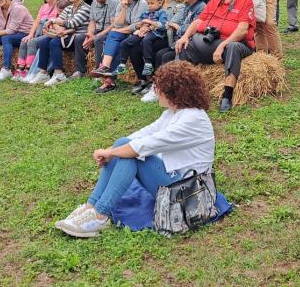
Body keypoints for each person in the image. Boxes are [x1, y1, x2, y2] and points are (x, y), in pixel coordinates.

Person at [54, 60, 215, 238]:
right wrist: (112, 150)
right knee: (125, 146)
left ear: (172, 91)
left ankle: (100, 215)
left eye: (158, 87)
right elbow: (144, 134)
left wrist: (112, 153)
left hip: (189, 191)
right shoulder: (174, 113)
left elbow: (146, 145)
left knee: (131, 155)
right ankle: (91, 207)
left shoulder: (192, 119)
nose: (156, 91)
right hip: (176, 178)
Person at [177, 0, 256, 113]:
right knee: (185, 45)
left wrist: (223, 45)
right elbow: (198, 21)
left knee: (233, 46)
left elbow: (243, 30)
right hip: (212, 42)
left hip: (237, 44)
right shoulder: (215, 0)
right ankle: (183, 92)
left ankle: (227, 96)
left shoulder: (245, 1)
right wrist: (185, 36)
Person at [143, 0, 208, 103]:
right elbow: (174, 24)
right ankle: (157, 86)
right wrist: (178, 27)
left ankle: (163, 89)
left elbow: (189, 28)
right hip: (178, 41)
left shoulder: (200, 7)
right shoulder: (185, 6)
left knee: (165, 56)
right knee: (160, 54)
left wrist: (178, 27)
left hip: (189, 43)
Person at [127, 0, 184, 93]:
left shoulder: (178, 6)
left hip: (165, 36)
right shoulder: (153, 2)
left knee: (153, 49)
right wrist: (142, 26)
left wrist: (152, 24)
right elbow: (140, 20)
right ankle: (142, 79)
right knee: (134, 48)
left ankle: (155, 82)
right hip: (150, 34)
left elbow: (171, 24)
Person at [89, 0, 147, 93]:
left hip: (138, 35)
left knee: (115, 34)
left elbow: (136, 26)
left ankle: (108, 79)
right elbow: (118, 23)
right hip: (125, 34)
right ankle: (105, 69)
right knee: (117, 40)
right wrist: (124, 9)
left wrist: (119, 30)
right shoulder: (121, 4)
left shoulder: (142, 4)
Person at [31, 0, 92, 86]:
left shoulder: (86, 8)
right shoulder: (69, 7)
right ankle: (43, 73)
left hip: (77, 37)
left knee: (54, 42)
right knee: (43, 41)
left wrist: (54, 22)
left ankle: (59, 73)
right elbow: (59, 19)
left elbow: (72, 23)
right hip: (66, 35)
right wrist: (58, 27)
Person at [114, 0, 168, 79]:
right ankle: (122, 64)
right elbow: (139, 22)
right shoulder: (146, 12)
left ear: (160, 2)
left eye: (152, 3)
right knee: (125, 42)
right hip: (142, 32)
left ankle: (148, 63)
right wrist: (141, 26)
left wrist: (150, 23)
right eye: (148, 3)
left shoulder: (162, 12)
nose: (150, 6)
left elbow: (163, 26)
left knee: (146, 40)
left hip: (156, 33)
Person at [12, 0, 61, 81]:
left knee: (32, 42)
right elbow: (36, 22)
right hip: (40, 33)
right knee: (24, 40)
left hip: (50, 33)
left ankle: (30, 69)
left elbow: (59, 23)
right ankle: (20, 68)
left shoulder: (59, 6)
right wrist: (30, 34)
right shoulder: (43, 7)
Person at [74, 0, 121, 79]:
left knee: (98, 39)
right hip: (97, 31)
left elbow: (114, 24)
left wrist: (96, 36)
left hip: (109, 32)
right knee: (79, 38)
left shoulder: (115, 3)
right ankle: (80, 71)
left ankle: (99, 72)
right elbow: (92, 21)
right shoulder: (94, 3)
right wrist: (89, 34)